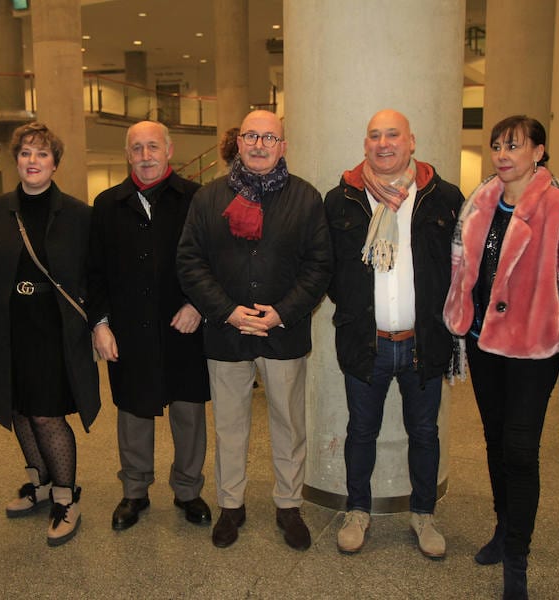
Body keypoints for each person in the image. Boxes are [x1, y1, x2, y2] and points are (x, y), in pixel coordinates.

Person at [443, 115, 559, 599]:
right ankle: (502, 527)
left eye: (513, 145)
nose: (502, 154)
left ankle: (517, 556)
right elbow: (463, 268)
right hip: (483, 343)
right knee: (495, 443)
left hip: (535, 351)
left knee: (519, 449)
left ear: (539, 151)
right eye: (497, 145)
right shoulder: (480, 202)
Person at [177, 110, 333, 550]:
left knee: (288, 423)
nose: (260, 144)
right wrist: (226, 311)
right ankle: (231, 505)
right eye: (251, 136)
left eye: (269, 137)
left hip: (282, 333)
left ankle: (288, 505)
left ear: (283, 146)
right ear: (238, 142)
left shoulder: (305, 199)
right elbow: (190, 261)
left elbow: (319, 265)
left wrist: (281, 312)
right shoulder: (208, 198)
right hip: (225, 333)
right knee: (229, 426)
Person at [324, 109, 463, 557]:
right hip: (367, 343)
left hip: (423, 343)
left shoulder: (443, 197)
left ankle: (423, 515)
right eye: (375, 136)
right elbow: (327, 269)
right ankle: (358, 510)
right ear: (365, 144)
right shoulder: (341, 199)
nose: (384, 143)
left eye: (393, 135)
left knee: (424, 433)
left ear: (412, 142)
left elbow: (460, 268)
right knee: (360, 432)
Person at [0, 122, 100, 547]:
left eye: (42, 154)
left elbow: (95, 274)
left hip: (55, 329)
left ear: (55, 163)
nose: (33, 161)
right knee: (19, 408)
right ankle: (39, 483)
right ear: (16, 161)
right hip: (9, 328)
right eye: (26, 153)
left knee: (47, 413)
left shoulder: (78, 214)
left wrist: (99, 322)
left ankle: (66, 496)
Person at [89, 120, 212, 531]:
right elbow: (95, 272)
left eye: (153, 147)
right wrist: (99, 325)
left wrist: (198, 303)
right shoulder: (107, 205)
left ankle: (189, 489)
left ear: (169, 149)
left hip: (185, 325)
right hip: (129, 328)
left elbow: (215, 261)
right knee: (133, 410)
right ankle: (135, 490)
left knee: (189, 410)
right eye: (137, 148)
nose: (145, 156)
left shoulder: (197, 199)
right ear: (128, 155)